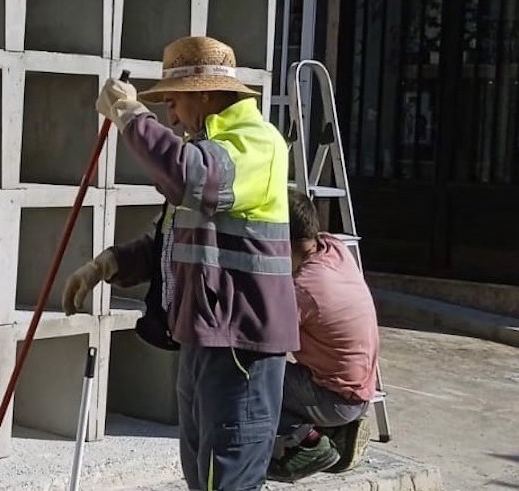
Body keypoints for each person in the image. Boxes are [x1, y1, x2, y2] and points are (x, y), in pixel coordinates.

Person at [63, 36, 300, 491]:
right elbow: (171, 237)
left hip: (241, 345)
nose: (171, 115)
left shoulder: (256, 144)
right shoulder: (212, 146)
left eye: (174, 101)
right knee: (203, 474)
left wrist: (131, 116)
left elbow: (193, 179)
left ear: (205, 95)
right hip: (205, 337)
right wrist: (109, 264)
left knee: (227, 480)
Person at [266, 189, 380, 482]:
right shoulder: (334, 247)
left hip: (335, 398)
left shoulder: (304, 289)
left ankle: (310, 441)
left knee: (248, 375)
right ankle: (335, 432)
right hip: (359, 391)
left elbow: (265, 338)